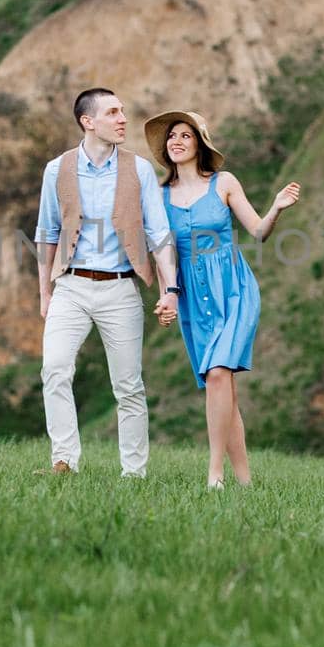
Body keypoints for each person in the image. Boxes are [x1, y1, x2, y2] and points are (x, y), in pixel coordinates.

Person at [143, 110, 300, 490]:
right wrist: (169, 296)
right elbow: (164, 254)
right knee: (222, 386)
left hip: (233, 288)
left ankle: (215, 474)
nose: (176, 141)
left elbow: (259, 231)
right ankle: (245, 484)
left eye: (185, 135)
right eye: (171, 137)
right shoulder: (160, 197)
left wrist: (276, 207)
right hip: (193, 295)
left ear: (200, 143)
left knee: (218, 373)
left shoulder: (224, 183)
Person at [34, 88, 180, 478]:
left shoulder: (139, 170)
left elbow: (159, 234)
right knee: (55, 370)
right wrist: (45, 293)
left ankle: (134, 473)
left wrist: (170, 290)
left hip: (121, 289)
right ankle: (64, 461)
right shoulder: (57, 169)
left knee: (129, 386)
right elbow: (47, 232)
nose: (122, 119)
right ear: (88, 121)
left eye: (123, 112)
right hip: (70, 286)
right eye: (113, 112)